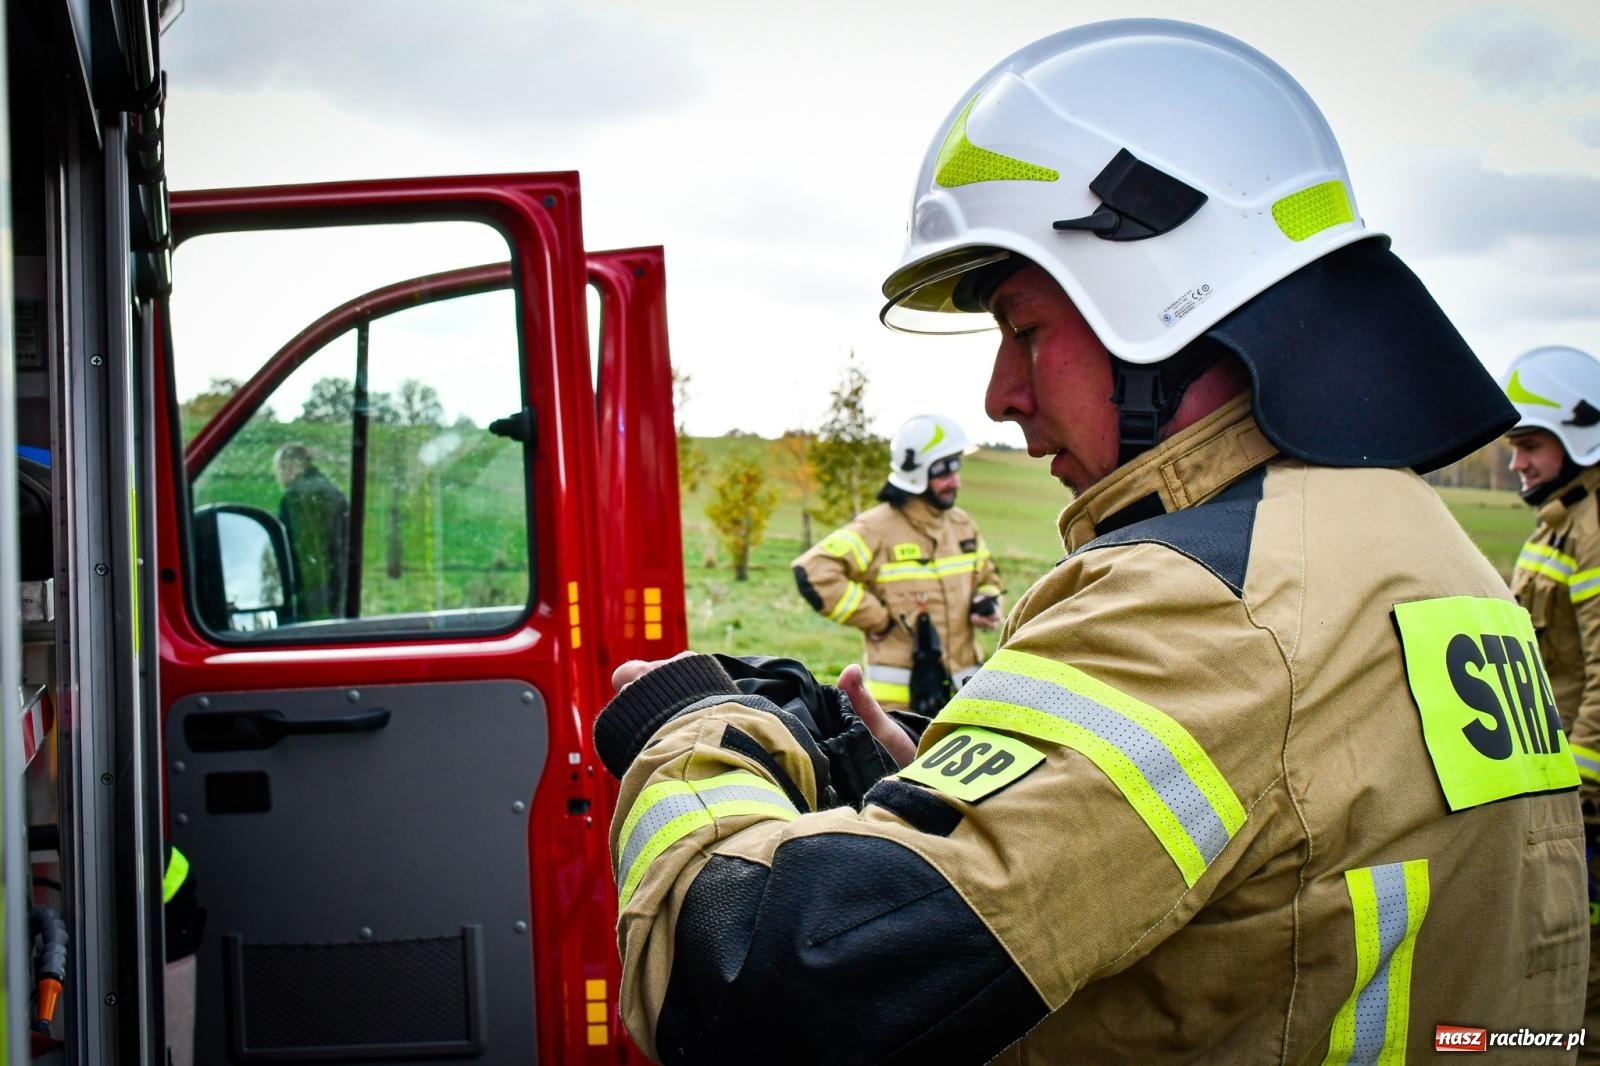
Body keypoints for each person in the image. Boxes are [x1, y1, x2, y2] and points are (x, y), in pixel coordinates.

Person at [595, 21, 1587, 1062]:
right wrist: (949, 803)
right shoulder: (1414, 542)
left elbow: (755, 987)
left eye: (1024, 329)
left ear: (1165, 300)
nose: (1001, 395)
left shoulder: (1208, 601)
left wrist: (701, 729)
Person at [1501, 344, 1600, 1063]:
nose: (1517, 465)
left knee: (1582, 979)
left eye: (1529, 446)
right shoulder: (1559, 519)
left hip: (1583, 806)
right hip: (1557, 794)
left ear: (1579, 434)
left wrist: (1578, 787)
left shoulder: (1592, 531)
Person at [791, 414, 1003, 712]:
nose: (955, 481)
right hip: (900, 707)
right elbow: (812, 571)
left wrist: (985, 602)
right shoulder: (877, 527)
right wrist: (878, 618)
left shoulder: (962, 525)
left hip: (966, 694)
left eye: (957, 466)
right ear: (915, 472)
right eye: (943, 470)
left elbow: (989, 578)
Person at [273, 442, 349, 621]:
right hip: (337, 593)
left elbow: (309, 557)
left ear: (291, 466)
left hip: (315, 603)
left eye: (280, 469)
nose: (279, 476)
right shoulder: (333, 491)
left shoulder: (298, 497)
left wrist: (305, 608)